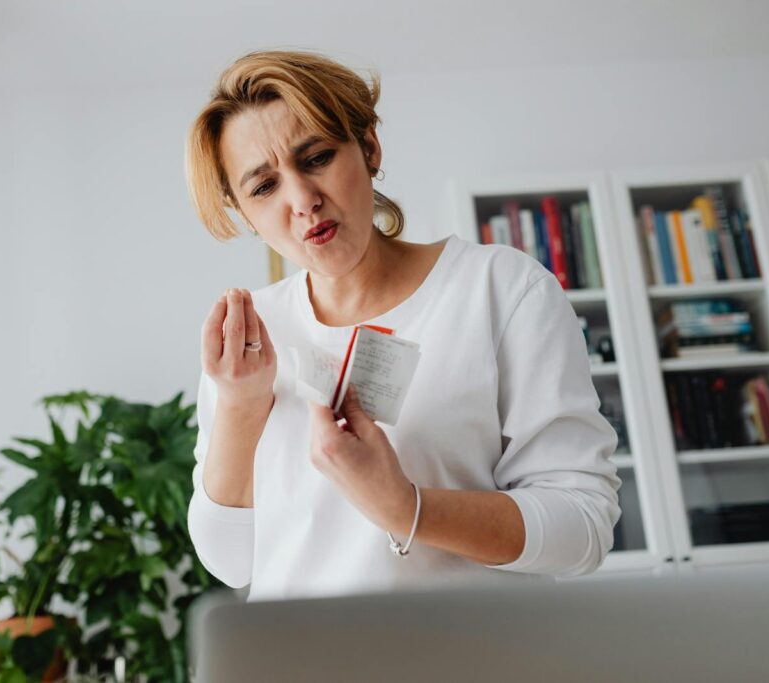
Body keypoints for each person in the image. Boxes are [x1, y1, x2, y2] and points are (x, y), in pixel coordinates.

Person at [184, 50, 621, 602]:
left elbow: (583, 526)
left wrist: (405, 508)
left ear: (368, 147)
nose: (302, 200)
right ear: (244, 212)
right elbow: (230, 562)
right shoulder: (249, 339)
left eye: (316, 157)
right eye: (264, 188)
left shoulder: (500, 289)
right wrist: (242, 406)